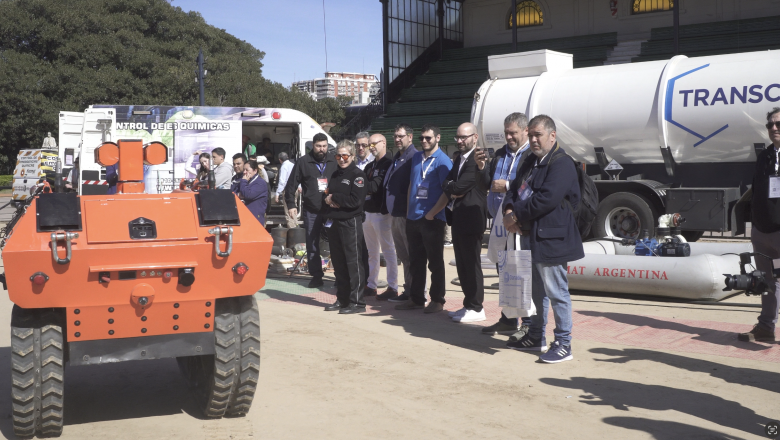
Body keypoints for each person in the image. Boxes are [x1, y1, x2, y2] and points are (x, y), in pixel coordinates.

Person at [502, 115, 584, 363]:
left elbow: (546, 199)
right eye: (531, 135)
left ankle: (563, 343)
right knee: (536, 291)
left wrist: (515, 214)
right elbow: (515, 189)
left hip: (552, 238)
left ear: (552, 135)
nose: (534, 139)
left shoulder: (562, 164)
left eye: (538, 135)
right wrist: (508, 210)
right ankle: (536, 335)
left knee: (556, 291)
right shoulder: (530, 161)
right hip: (530, 235)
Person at [476, 112, 535, 338]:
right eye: (506, 132)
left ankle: (529, 324)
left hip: (520, 225)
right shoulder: (500, 154)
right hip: (499, 224)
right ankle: (509, 320)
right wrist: (481, 167)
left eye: (513, 133)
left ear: (525, 131)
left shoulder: (531, 155)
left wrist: (508, 184)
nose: (509, 137)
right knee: (505, 273)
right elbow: (485, 185)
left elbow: (531, 184)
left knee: (521, 273)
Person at [429, 122, 487, 322]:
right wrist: (454, 189)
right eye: (458, 137)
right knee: (462, 265)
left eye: (464, 137)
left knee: (472, 263)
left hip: (472, 217)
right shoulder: (459, 158)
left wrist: (453, 188)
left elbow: (462, 184)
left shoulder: (477, 159)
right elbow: (448, 183)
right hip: (459, 217)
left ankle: (477, 307)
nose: (460, 141)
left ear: (475, 137)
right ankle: (468, 304)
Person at [395, 124, 453, 313]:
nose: (425, 141)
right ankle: (417, 297)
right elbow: (413, 183)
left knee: (435, 261)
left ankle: (437, 300)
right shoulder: (417, 158)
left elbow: (448, 192)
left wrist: (432, 213)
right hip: (413, 217)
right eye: (422, 138)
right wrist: (408, 209)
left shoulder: (443, 161)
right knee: (416, 260)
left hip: (432, 218)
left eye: (428, 138)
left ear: (438, 138)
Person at [739, 107, 780, 342]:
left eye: (779, 124)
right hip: (762, 231)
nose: (774, 128)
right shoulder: (765, 156)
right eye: (770, 125)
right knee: (767, 281)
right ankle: (765, 328)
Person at [284, 133, 337, 288]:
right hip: (311, 211)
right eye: (318, 146)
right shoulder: (303, 162)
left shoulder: (334, 161)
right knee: (312, 243)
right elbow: (291, 186)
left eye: (324, 146)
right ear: (312, 146)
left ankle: (339, 276)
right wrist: (291, 204)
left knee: (335, 243)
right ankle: (316, 276)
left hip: (331, 211)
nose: (322, 149)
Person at [322, 140, 368, 314]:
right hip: (334, 222)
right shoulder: (335, 174)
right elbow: (326, 194)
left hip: (350, 223)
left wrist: (335, 198)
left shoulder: (358, 175)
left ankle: (357, 302)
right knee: (339, 263)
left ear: (352, 156)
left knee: (353, 262)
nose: (342, 159)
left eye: (345, 156)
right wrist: (329, 199)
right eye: (338, 156)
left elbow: (355, 201)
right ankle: (342, 299)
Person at [378, 124, 418, 301]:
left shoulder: (414, 157)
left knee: (411, 255)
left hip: (406, 214)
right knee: (403, 255)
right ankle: (409, 289)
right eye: (395, 136)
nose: (397, 139)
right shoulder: (397, 157)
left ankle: (415, 292)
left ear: (410, 137)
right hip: (395, 213)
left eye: (401, 136)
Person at [362, 134, 398, 297]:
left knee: (388, 250)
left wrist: (361, 186)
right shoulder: (369, 166)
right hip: (367, 211)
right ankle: (371, 284)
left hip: (382, 213)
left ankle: (393, 286)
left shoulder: (389, 164)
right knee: (371, 251)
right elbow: (364, 185)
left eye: (374, 144)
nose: (371, 147)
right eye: (369, 145)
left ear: (383, 143)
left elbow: (375, 186)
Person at [233, 160, 269, 226]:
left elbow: (248, 195)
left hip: (255, 217)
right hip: (243, 216)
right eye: (243, 170)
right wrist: (239, 194)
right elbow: (233, 193)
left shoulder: (260, 183)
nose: (244, 172)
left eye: (247, 170)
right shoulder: (244, 181)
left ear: (255, 171)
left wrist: (244, 182)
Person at [275, 152, 299, 229]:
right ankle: (296, 225)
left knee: (289, 210)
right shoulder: (293, 165)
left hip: (288, 190)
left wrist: (278, 193)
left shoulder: (284, 166)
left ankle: (292, 229)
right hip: (295, 189)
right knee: (294, 207)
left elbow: (282, 181)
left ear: (280, 160)